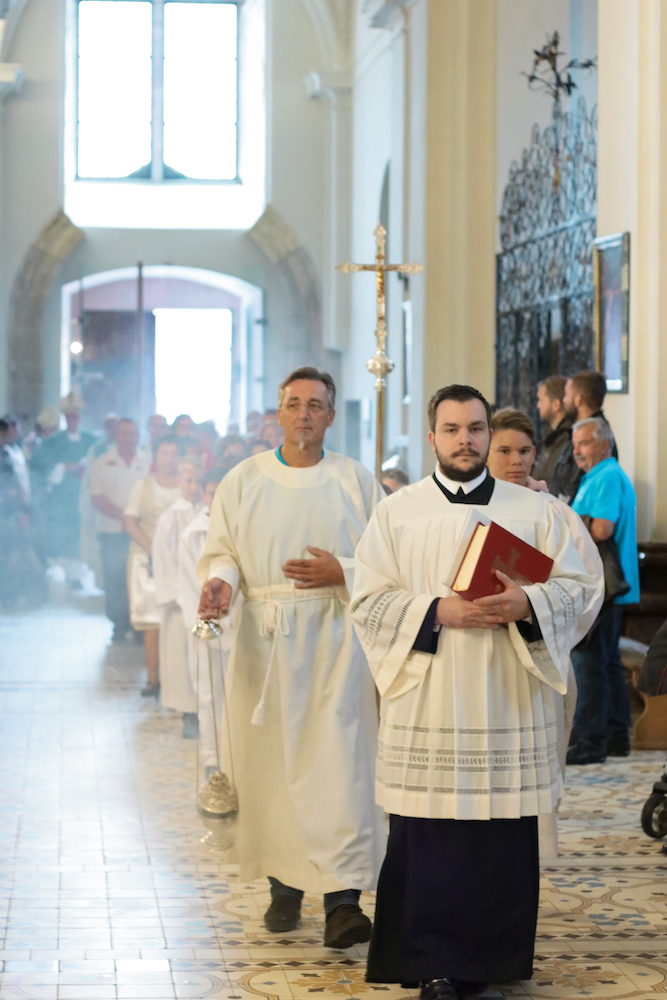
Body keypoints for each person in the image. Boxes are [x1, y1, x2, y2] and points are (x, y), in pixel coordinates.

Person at [351, 384, 602, 997]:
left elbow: (584, 586)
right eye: (452, 428)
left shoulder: (538, 512)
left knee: (500, 834)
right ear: (433, 436)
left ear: (489, 436)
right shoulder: (397, 513)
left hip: (506, 696)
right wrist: (437, 609)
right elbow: (368, 601)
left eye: (475, 428)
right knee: (430, 836)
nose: (465, 438)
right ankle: (431, 961)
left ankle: (491, 964)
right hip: (430, 697)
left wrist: (529, 601)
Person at [197, 366, 386, 949]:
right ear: (277, 413)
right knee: (274, 769)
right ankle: (284, 888)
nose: (304, 414)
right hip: (267, 640)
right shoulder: (243, 480)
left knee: (340, 767)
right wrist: (222, 583)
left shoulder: (356, 481)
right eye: (294, 403)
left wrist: (344, 571)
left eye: (316, 405)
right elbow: (222, 550)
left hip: (337, 641)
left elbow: (388, 561)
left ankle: (343, 902)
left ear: (331, 416)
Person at [487, 407, 603, 857]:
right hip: (477, 649)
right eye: (504, 450)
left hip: (540, 654)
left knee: (535, 766)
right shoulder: (467, 508)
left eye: (524, 451)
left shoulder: (554, 512)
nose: (516, 460)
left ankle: (525, 864)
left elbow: (589, 585)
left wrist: (536, 608)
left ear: (536, 454)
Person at [568, 416, 640, 765]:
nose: (576, 450)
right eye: (575, 443)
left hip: (603, 587)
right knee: (608, 664)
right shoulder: (595, 477)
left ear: (603, 444)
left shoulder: (608, 475)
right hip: (605, 586)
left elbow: (601, 529)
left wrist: (564, 521)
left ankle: (590, 741)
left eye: (583, 443)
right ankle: (615, 735)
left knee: (589, 663)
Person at [179, 468, 229, 773]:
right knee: (209, 695)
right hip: (205, 625)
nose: (216, 499)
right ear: (204, 495)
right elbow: (188, 582)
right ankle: (212, 757)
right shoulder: (193, 534)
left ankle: (237, 758)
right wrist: (201, 622)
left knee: (237, 695)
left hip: (240, 626)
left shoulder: (242, 528)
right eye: (211, 493)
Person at [124, 435, 182, 696]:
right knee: (152, 620)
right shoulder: (143, 485)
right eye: (164, 453)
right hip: (147, 558)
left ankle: (177, 678)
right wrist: (153, 550)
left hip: (181, 559)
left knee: (180, 620)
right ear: (156, 457)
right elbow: (130, 521)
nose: (169, 459)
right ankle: (152, 678)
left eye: (174, 453)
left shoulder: (188, 484)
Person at [152, 458, 202, 737]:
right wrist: (176, 593)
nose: (193, 488)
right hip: (181, 600)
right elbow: (163, 557)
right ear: (180, 482)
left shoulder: (209, 513)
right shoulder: (170, 517)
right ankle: (188, 712)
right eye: (188, 481)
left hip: (203, 597)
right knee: (182, 658)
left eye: (198, 481)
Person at [90, 419, 150, 642]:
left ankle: (138, 626)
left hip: (141, 532)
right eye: (124, 434)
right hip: (112, 532)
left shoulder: (147, 461)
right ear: (116, 436)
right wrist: (124, 516)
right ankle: (119, 623)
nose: (129, 438)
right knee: (115, 579)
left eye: (133, 434)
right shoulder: (102, 462)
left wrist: (135, 519)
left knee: (138, 578)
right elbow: (96, 496)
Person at [30, 391, 95, 587]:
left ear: (79, 418)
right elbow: (38, 465)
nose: (72, 420)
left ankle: (81, 574)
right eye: (69, 417)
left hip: (84, 496)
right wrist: (61, 467)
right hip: (62, 499)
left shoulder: (90, 440)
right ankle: (72, 576)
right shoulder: (53, 441)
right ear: (65, 418)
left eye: (75, 416)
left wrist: (86, 466)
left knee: (82, 535)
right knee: (65, 536)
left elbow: (98, 462)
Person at [533, 376, 575, 495]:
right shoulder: (551, 438)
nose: (538, 406)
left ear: (556, 405)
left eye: (541, 400)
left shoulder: (571, 440)